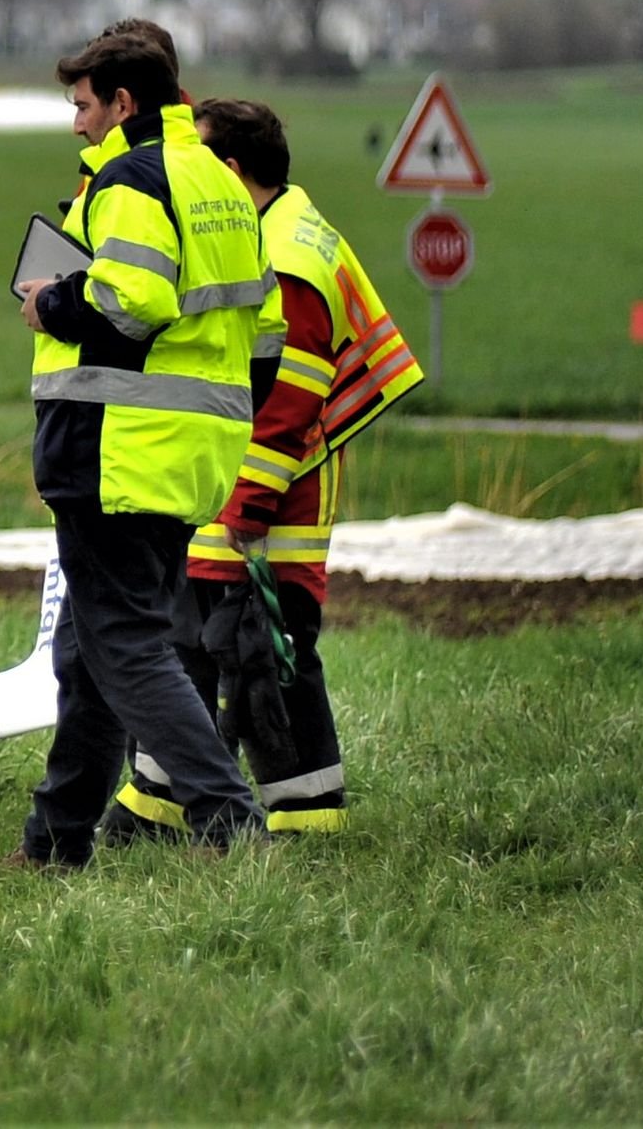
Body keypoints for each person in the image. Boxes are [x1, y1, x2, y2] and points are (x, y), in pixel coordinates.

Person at [110, 97, 426, 840]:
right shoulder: (282, 229)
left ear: (229, 168)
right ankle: (161, 804)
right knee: (199, 652)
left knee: (265, 663)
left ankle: (307, 822)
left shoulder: (288, 253)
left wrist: (242, 506)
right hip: (257, 494)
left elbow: (287, 403)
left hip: (267, 505)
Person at [17, 24, 272, 864]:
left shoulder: (132, 179)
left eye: (84, 104)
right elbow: (264, 334)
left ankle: (227, 815)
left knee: (123, 647)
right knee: (92, 651)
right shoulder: (220, 182)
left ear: (124, 101)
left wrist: (52, 301)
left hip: (115, 449)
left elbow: (131, 301)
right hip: (187, 452)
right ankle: (58, 840)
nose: (76, 123)